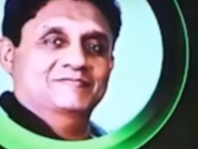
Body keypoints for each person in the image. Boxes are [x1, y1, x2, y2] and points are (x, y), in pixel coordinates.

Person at [0, 0, 121, 140]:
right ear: (8, 55)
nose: (78, 60)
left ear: (110, 62)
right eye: (54, 41)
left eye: (95, 47)